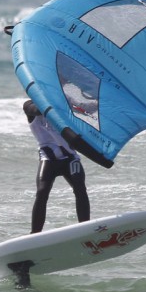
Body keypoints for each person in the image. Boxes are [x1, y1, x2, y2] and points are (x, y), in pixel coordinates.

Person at [23, 99, 90, 234]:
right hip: (49, 159)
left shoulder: (64, 107)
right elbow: (36, 110)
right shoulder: (29, 106)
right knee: (42, 192)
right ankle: (35, 234)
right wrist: (61, 103)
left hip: (70, 159)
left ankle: (85, 228)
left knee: (80, 189)